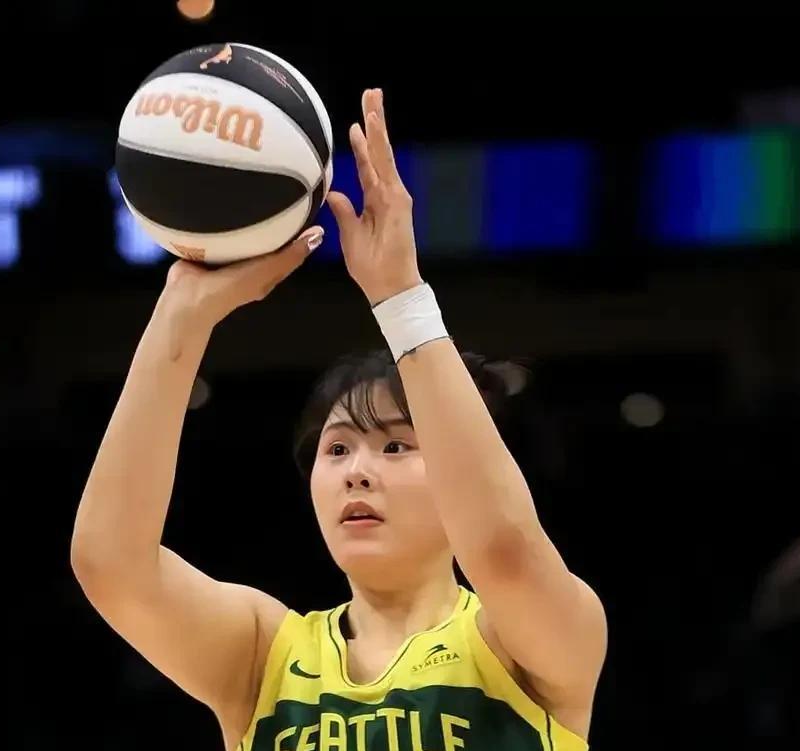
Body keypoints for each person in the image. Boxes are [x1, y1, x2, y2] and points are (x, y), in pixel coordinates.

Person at [70, 88, 607, 750]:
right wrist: (180, 316)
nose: (357, 471)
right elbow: (110, 562)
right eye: (337, 449)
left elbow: (505, 552)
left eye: (395, 447)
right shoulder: (263, 655)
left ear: (457, 473)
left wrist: (401, 298)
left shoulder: (523, 642)